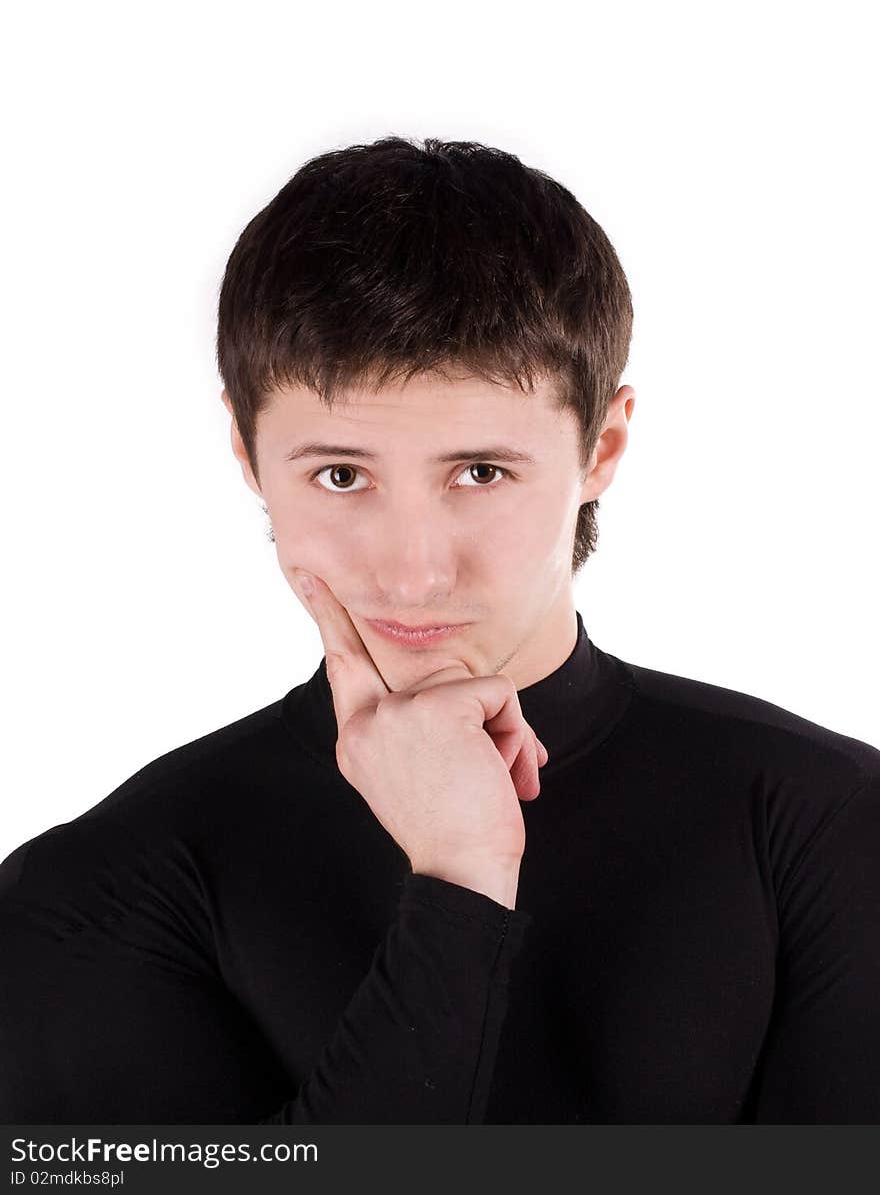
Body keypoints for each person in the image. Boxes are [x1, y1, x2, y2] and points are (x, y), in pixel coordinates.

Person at [1, 136, 878, 1124]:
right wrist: (458, 884)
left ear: (604, 447)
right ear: (249, 456)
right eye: (341, 474)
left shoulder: (833, 823)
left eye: (480, 472)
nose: (414, 568)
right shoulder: (92, 887)